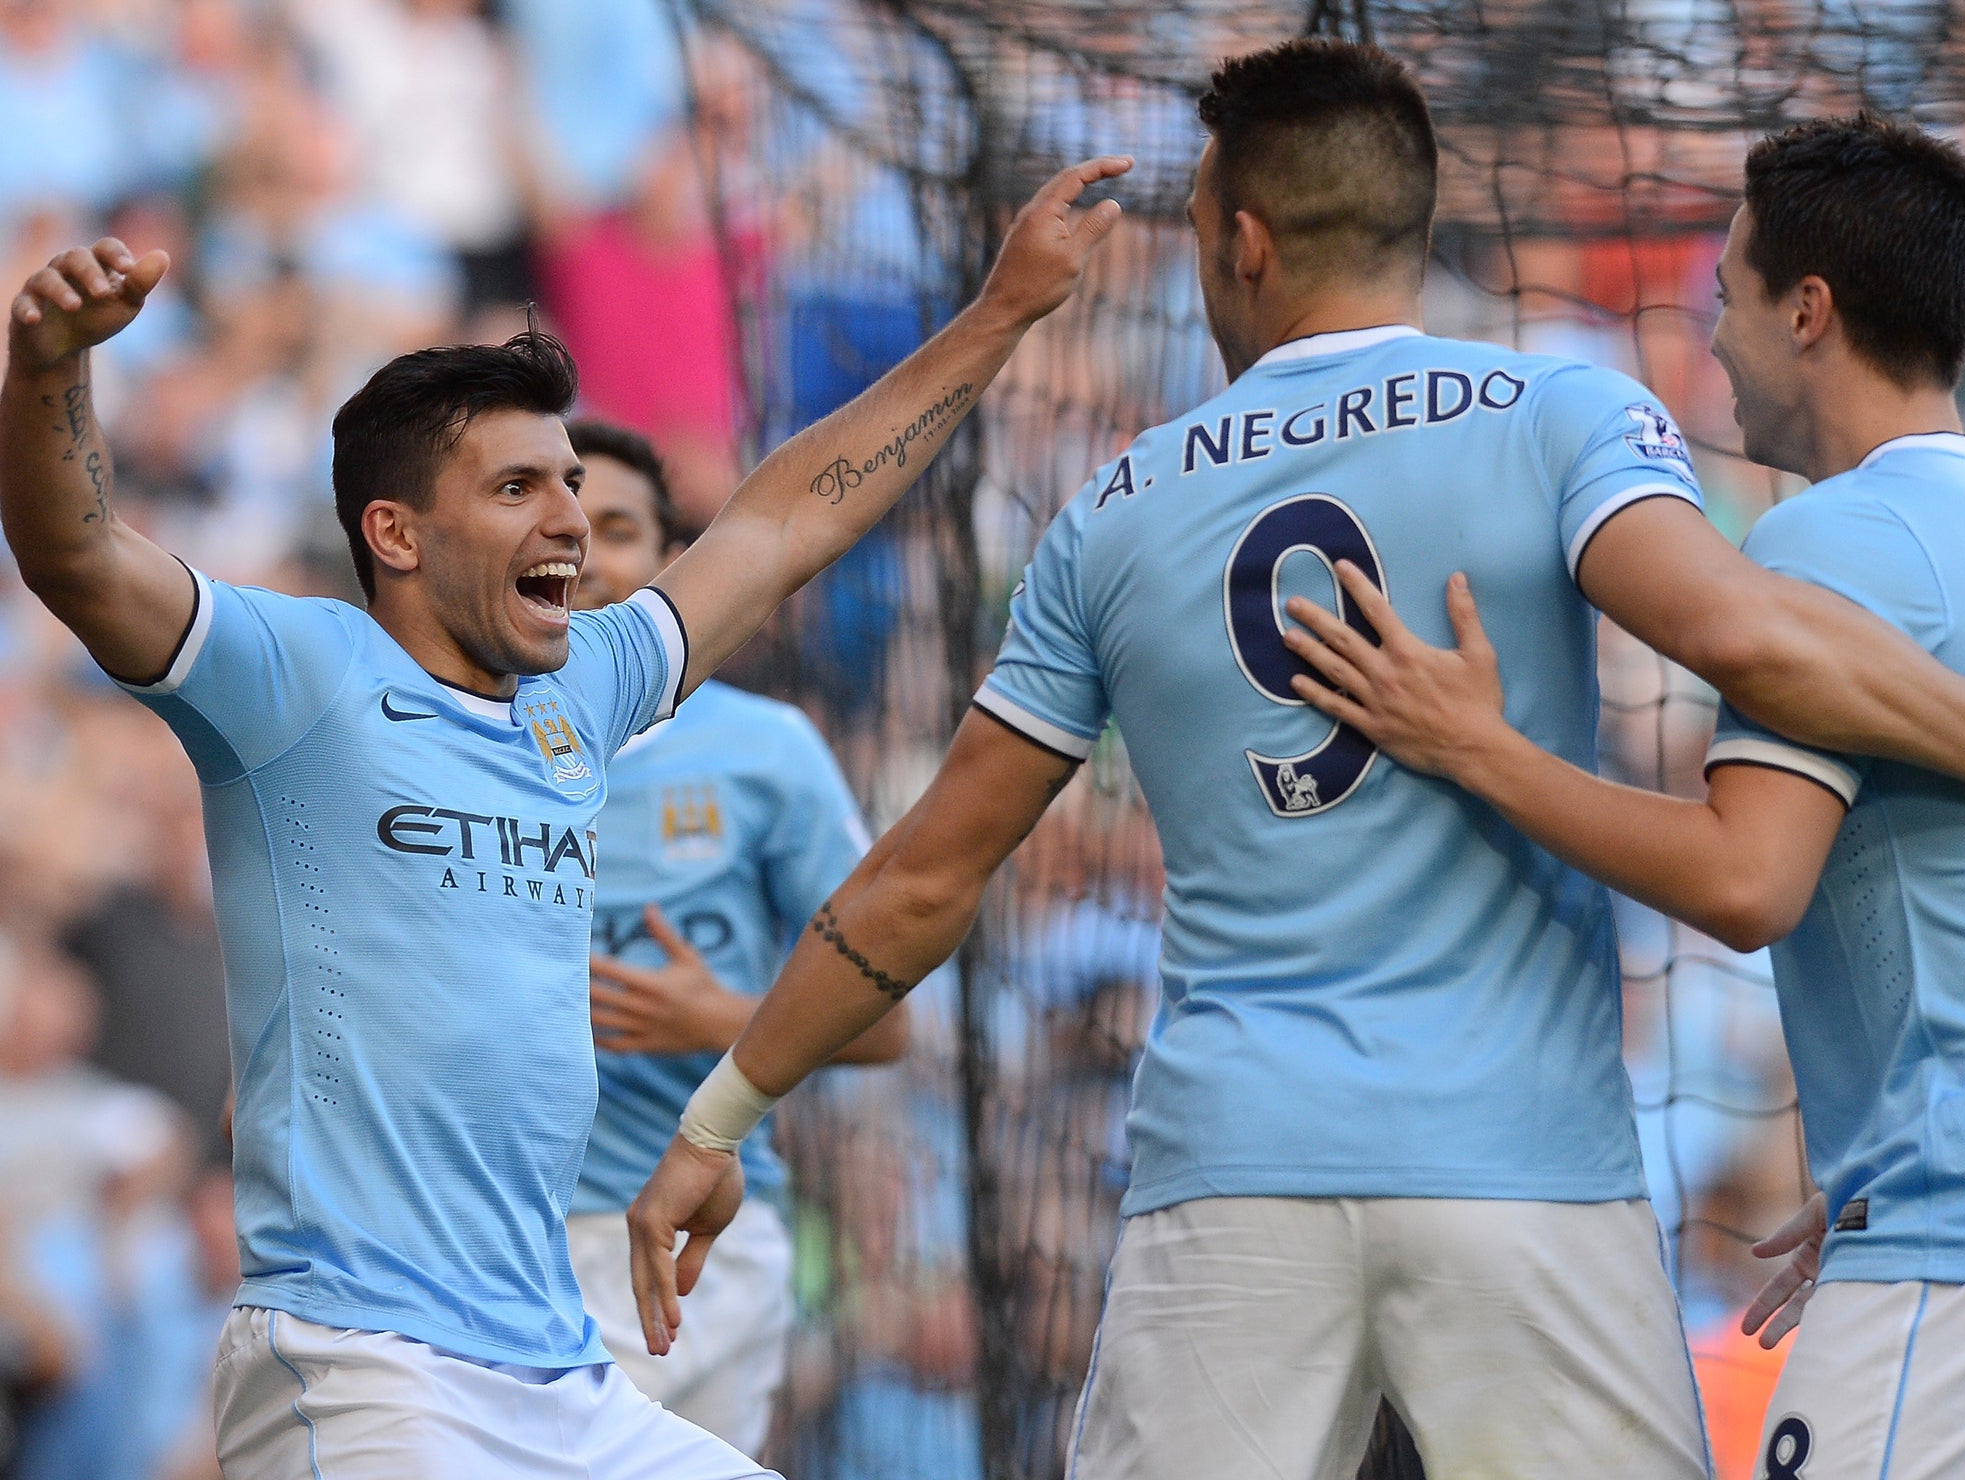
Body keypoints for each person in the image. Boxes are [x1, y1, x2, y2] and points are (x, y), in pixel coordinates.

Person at [625, 42, 1965, 1480]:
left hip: (1237, 1173)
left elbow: (926, 877)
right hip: (1526, 1168)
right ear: (1414, 228)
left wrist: (720, 1112)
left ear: (1240, 243)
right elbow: (1754, 638)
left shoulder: (1112, 506)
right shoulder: (1566, 414)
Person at [0, 154, 1129, 1479]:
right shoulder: (291, 675)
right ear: (397, 533)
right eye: (521, 488)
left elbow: (777, 527)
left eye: (572, 488)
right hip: (367, 1369)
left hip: (559, 1367)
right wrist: (49, 370)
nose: (573, 525)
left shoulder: (580, 691)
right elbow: (77, 552)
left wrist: (999, 316)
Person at [1282, 115, 1965, 1480]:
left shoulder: (1834, 534)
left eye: (1727, 303)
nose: (1715, 346)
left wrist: (1482, 750)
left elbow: (1745, 886)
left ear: (1807, 313)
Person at [563, 416, 906, 1456]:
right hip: (496, 1231)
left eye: (615, 528)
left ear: (672, 564)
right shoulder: (451, 746)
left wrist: (716, 1017)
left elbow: (884, 1026)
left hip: (698, 1230)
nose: (582, 554)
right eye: (559, 527)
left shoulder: (765, 752)